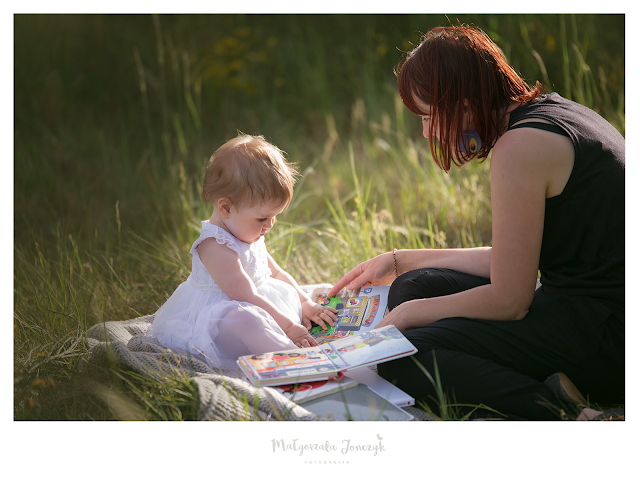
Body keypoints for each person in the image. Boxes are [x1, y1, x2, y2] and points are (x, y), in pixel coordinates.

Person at [328, 25, 624, 420]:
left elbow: (510, 300)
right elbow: (513, 258)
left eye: (430, 116)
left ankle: (566, 413)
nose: (428, 131)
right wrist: (400, 260)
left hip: (610, 337)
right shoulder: (551, 114)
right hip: (584, 306)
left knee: (404, 357)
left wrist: (405, 316)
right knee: (415, 284)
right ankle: (543, 381)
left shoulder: (520, 148)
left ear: (465, 104)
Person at [147, 134, 337, 370]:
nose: (270, 225)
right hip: (221, 319)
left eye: (274, 216)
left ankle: (289, 345)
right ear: (226, 207)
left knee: (280, 297)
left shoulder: (248, 231)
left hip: (258, 305)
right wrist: (288, 326)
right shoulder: (213, 244)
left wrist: (306, 303)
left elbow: (276, 273)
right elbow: (244, 296)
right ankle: (299, 362)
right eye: (262, 218)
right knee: (247, 321)